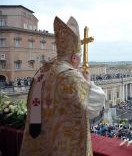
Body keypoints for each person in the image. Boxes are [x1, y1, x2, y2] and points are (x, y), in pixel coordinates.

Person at [20, 16, 106, 156]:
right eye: (79, 59)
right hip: (64, 145)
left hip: (41, 140)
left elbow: (30, 104)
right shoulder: (71, 76)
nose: (78, 63)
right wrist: (87, 82)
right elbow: (95, 104)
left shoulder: (42, 72)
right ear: (73, 58)